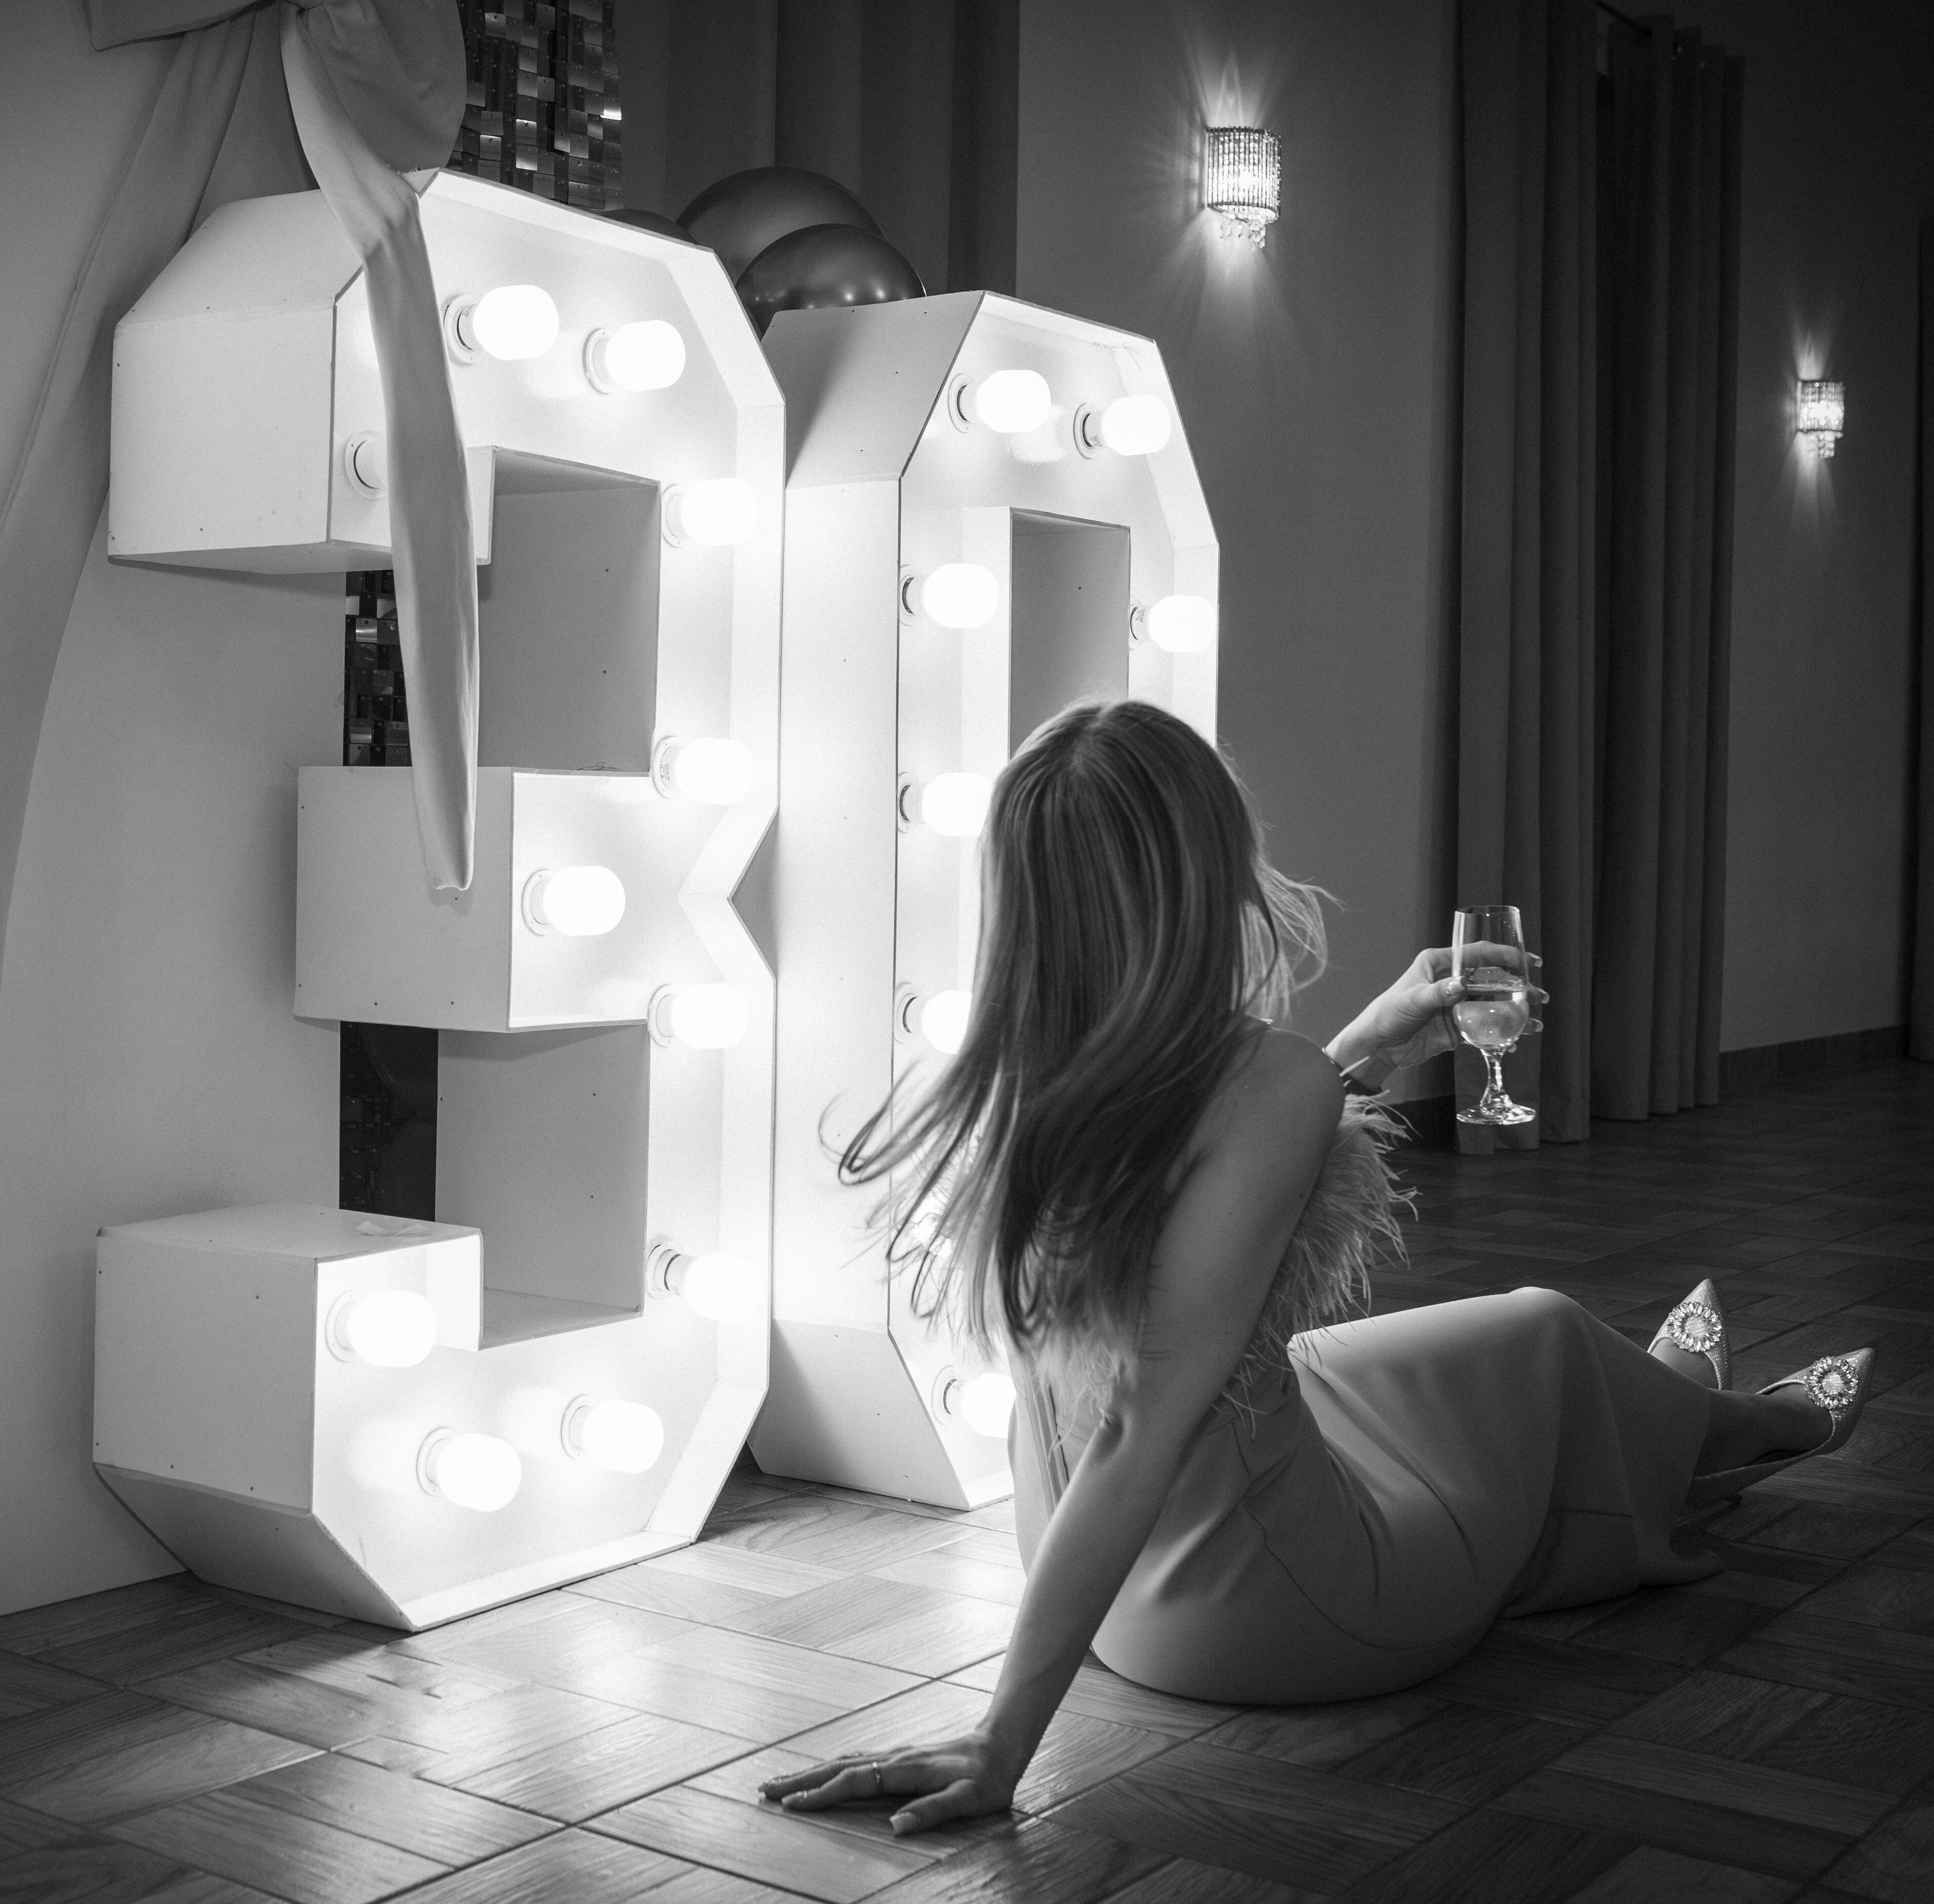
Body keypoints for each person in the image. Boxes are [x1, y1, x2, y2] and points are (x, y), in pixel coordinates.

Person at [761, 700, 1871, 1836]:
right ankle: (1743, 1427)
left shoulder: (1011, 1070)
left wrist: (1367, 1044)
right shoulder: (1260, 1076)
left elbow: (1205, 1201)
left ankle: (1678, 1416)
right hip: (1283, 1607)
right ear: (1209, 867)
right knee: (1537, 1326)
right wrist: (999, 1746)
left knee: (1449, 1356)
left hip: (1097, 1582)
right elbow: (1141, 1426)